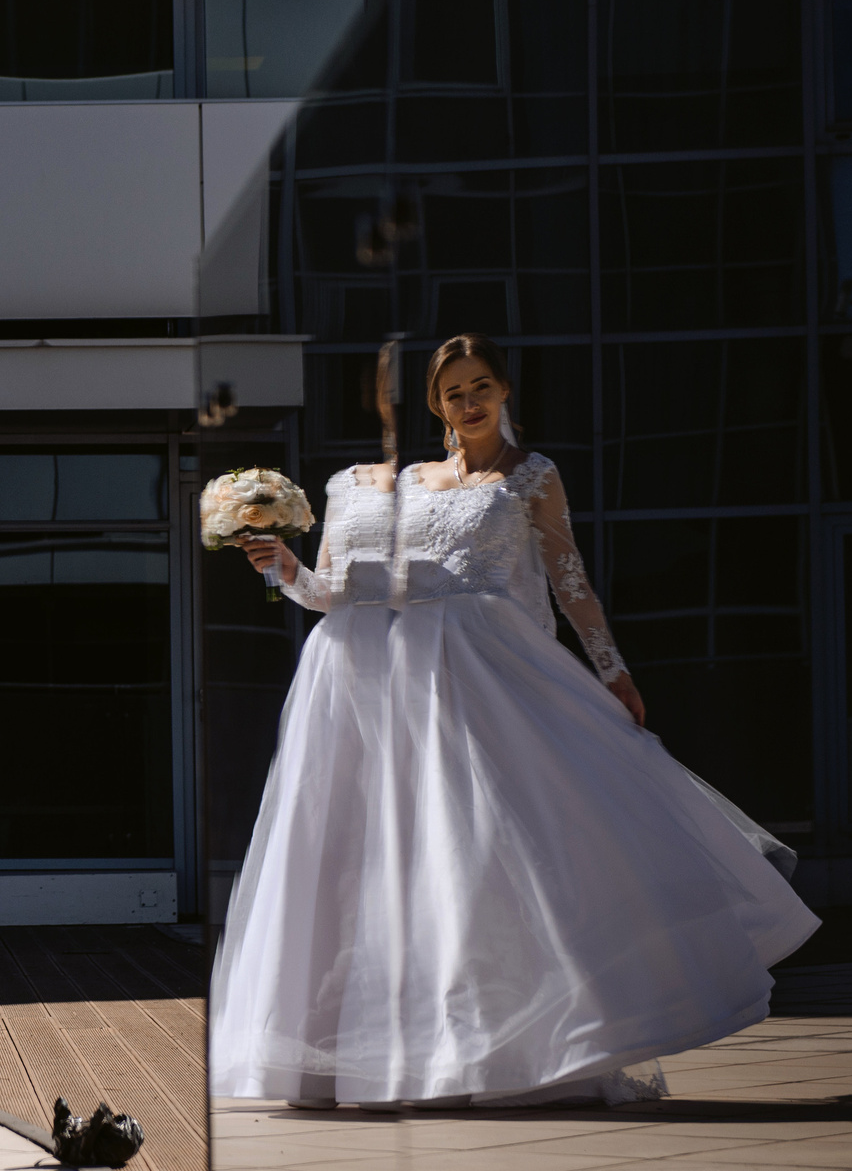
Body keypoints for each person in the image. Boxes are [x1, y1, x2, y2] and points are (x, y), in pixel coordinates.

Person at [207, 333, 817, 1109]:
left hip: (488, 683)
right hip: (391, 694)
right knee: (396, 867)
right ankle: (391, 1054)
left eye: (481, 386)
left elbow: (571, 582)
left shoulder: (532, 476)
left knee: (499, 861)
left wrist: (612, 669)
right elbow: (338, 592)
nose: (469, 402)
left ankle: (523, 1049)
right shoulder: (389, 484)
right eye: (453, 392)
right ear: (437, 405)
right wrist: (281, 570)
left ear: (504, 390)